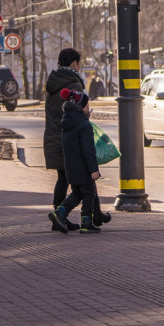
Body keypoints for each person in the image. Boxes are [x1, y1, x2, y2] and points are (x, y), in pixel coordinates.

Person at [48, 89, 111, 234]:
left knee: (77, 193)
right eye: (87, 106)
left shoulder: (67, 123)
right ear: (81, 107)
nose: (89, 109)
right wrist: (93, 169)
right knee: (88, 193)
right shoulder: (84, 126)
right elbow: (88, 151)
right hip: (83, 167)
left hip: (71, 166)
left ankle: (61, 212)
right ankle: (86, 223)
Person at [44, 48, 85, 231]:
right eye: (79, 63)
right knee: (73, 179)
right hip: (67, 138)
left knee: (64, 177)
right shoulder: (73, 84)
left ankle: (59, 214)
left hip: (53, 135)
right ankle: (60, 213)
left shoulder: (53, 81)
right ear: (74, 63)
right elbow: (77, 114)